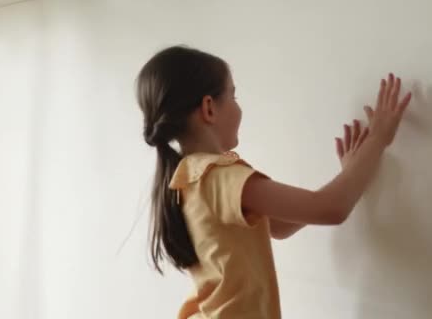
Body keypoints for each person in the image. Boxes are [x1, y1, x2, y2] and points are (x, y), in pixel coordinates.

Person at [136, 45, 412, 318]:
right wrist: (377, 139)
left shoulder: (186, 178)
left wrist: (348, 173)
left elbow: (279, 225)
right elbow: (331, 208)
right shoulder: (218, 175)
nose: (238, 106)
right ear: (209, 108)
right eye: (233, 96)